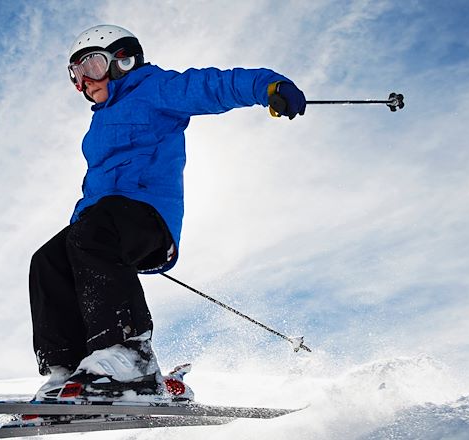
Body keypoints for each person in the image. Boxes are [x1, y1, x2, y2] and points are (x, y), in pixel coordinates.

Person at [29, 24, 306, 402]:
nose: (84, 82)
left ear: (122, 60)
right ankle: (71, 369)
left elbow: (211, 86)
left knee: (92, 233)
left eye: (91, 67)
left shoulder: (153, 88)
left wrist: (268, 87)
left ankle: (129, 356)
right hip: (103, 227)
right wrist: (80, 243)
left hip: (147, 219)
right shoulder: (99, 122)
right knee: (47, 260)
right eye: (76, 75)